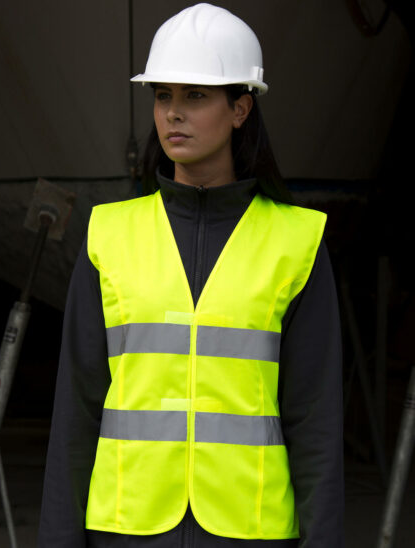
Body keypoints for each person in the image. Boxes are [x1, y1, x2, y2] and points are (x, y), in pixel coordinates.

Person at [37, 3, 344, 547]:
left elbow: (315, 420)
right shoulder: (109, 235)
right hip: (127, 529)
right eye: (163, 96)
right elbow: (75, 413)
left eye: (195, 96)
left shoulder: (296, 241)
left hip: (248, 531)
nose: (173, 114)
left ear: (240, 109)